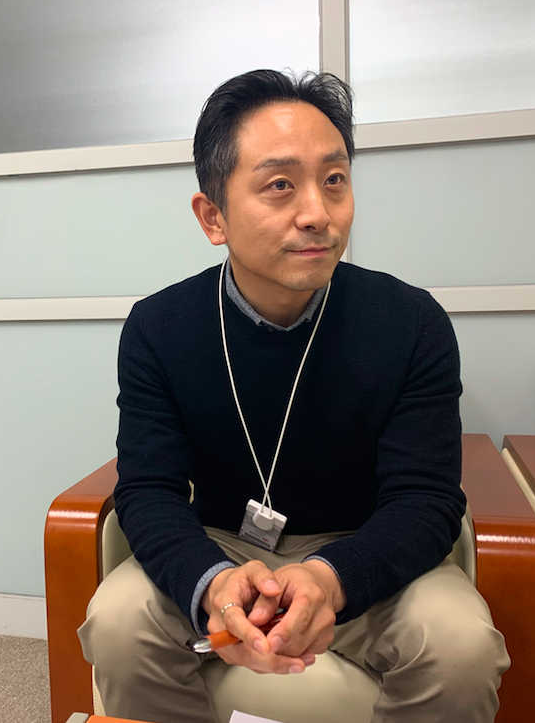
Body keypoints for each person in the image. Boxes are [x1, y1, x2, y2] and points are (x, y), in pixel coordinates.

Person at [78, 69, 510, 723]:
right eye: (280, 185)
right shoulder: (159, 328)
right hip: (221, 545)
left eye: (334, 180)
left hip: (362, 547)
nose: (317, 213)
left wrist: (328, 577)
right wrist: (215, 583)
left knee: (460, 646)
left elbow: (425, 499)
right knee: (118, 619)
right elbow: (148, 490)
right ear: (213, 216)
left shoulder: (410, 322)